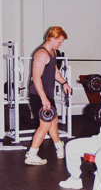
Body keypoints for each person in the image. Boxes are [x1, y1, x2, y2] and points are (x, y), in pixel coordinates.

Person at [25, 26, 72, 165]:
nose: (61, 44)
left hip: (47, 94)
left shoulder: (53, 52)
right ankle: (31, 154)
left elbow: (54, 69)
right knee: (45, 124)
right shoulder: (41, 54)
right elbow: (36, 77)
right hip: (39, 94)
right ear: (51, 38)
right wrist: (44, 98)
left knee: (54, 122)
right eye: (59, 41)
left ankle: (59, 148)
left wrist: (64, 82)